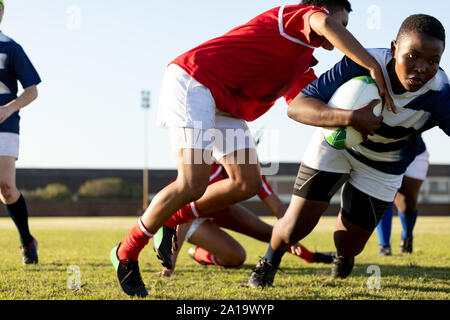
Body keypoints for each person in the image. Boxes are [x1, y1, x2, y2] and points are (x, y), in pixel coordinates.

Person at [111, 0, 393, 298]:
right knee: (192, 183)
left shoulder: (302, 62)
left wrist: (351, 119)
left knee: (247, 183)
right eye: (342, 23)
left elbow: (301, 108)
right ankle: (126, 253)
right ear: (320, 8)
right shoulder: (297, 17)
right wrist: (372, 64)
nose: (342, 31)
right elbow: (324, 24)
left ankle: (173, 219)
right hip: (194, 80)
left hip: (225, 106)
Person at [248, 13, 449, 288]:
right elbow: (297, 107)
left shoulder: (440, 94)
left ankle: (343, 255)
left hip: (384, 163)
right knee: (296, 226)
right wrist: (350, 119)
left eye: (433, 61)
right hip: (336, 146)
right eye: (412, 56)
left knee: (349, 243)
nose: (421, 68)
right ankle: (269, 262)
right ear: (393, 49)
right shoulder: (360, 62)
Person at [156, 161, 336, 277]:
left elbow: (280, 211)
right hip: (183, 218)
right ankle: (198, 253)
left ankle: (313, 256)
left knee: (270, 233)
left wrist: (305, 250)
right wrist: (169, 264)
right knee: (237, 257)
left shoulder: (252, 172)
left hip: (220, 209)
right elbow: (181, 216)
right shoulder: (211, 173)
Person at [0, 0, 41, 265]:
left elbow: (32, 91)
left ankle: (27, 240)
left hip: (5, 122)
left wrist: (9, 108)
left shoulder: (11, 48)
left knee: (5, 187)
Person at [376, 148, 429, 255]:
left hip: (414, 151)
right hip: (381, 152)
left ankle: (407, 236)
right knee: (383, 197)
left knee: (408, 204)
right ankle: (384, 245)